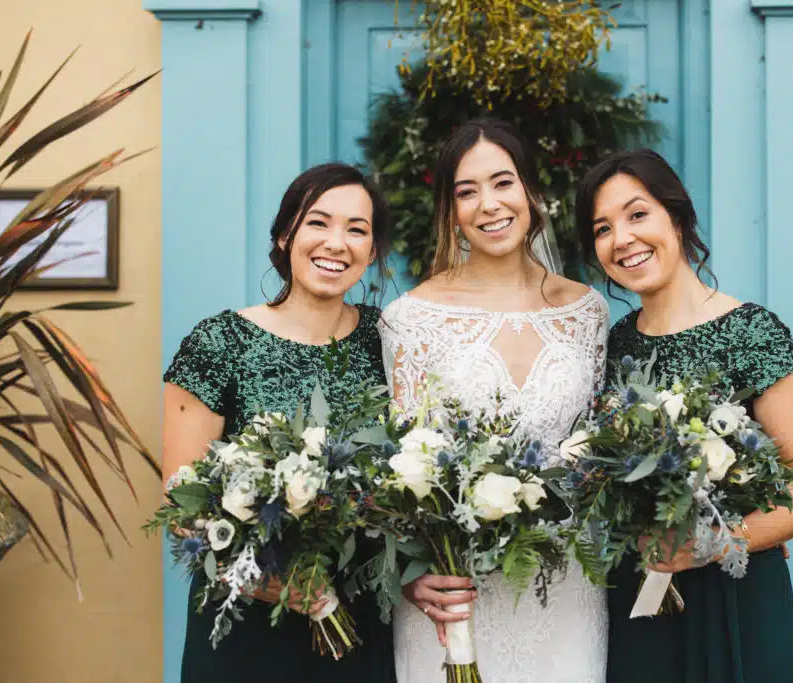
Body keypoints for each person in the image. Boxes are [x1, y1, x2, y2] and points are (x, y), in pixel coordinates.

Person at [575, 149, 793, 683]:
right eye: (602, 228)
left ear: (677, 215)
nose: (621, 238)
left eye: (637, 214)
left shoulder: (750, 331)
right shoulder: (615, 344)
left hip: (734, 598)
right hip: (641, 598)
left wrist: (712, 543)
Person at [380, 118, 610, 683]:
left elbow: (605, 451)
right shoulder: (410, 319)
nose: (489, 204)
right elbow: (399, 470)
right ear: (450, 211)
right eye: (466, 191)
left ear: (531, 192)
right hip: (455, 596)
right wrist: (410, 575)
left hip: (569, 581)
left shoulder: (588, 311)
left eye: (502, 182)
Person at [162, 163, 396, 682]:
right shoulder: (219, 344)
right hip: (245, 626)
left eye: (357, 229)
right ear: (285, 233)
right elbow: (182, 506)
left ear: (373, 250)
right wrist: (288, 587)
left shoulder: (389, 342)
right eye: (318, 222)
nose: (337, 243)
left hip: (361, 619)